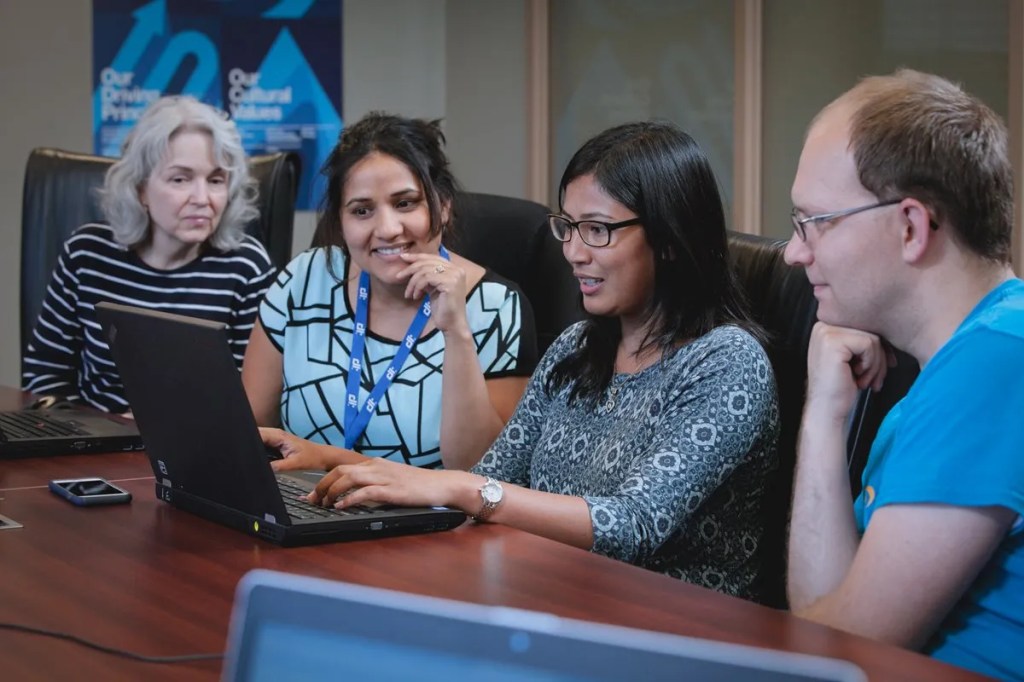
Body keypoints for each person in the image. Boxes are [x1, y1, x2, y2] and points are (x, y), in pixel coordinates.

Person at [274, 121, 780, 600]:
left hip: (674, 634)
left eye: (598, 230)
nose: (575, 252)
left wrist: (465, 490)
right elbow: (494, 475)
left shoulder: (725, 362)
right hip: (555, 603)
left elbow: (632, 525)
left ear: (670, 240)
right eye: (569, 227)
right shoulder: (578, 347)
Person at [784, 69, 1024, 680]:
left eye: (814, 222)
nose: (793, 252)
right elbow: (818, 620)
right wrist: (824, 414)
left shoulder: (997, 359)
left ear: (912, 226)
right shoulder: (948, 371)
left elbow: (843, 646)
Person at [243, 112, 537, 471]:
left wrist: (457, 332)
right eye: (362, 210)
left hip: (432, 524)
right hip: (305, 510)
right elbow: (248, 434)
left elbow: (481, 474)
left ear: (443, 206)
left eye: (405, 203)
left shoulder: (496, 308)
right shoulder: (306, 279)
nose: (386, 228)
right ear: (340, 221)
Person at [22, 95, 275, 414]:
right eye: (180, 179)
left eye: (215, 180)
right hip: (89, 448)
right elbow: (44, 376)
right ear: (140, 188)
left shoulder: (245, 266)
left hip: (195, 452)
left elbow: (247, 402)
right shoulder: (87, 252)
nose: (202, 198)